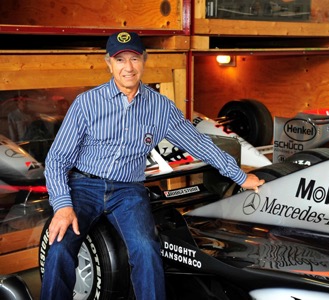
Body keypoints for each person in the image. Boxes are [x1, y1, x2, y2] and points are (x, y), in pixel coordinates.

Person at [41, 31, 265, 300]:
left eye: (134, 58)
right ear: (108, 63)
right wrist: (63, 205)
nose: (128, 67)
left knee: (146, 248)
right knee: (60, 245)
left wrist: (240, 176)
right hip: (84, 185)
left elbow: (199, 143)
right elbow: (57, 159)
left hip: (128, 191)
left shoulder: (160, 108)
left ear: (144, 60)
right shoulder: (86, 104)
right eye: (120, 59)